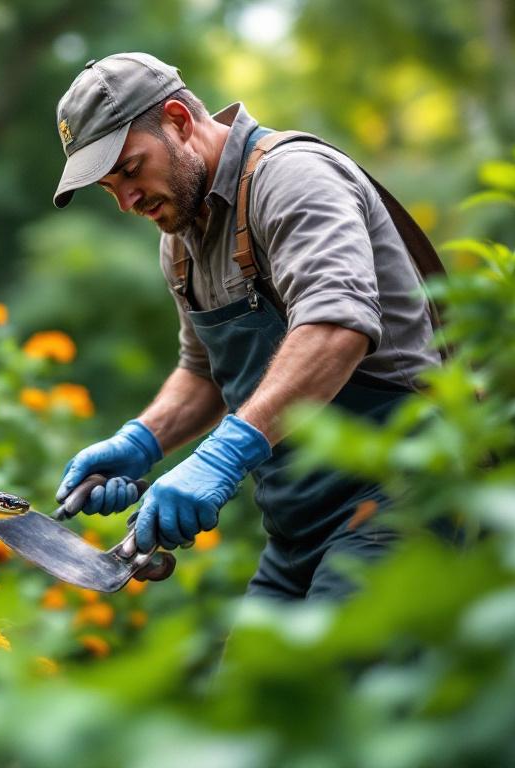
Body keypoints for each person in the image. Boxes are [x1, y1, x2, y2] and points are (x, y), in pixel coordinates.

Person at [50, 53, 444, 601]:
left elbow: (336, 325)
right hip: (297, 530)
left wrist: (222, 455)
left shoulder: (292, 177)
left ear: (179, 121)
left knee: (322, 683)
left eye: (131, 170)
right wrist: (141, 441)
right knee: (246, 686)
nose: (126, 202)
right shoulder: (182, 238)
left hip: (401, 497)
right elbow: (205, 370)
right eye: (108, 188)